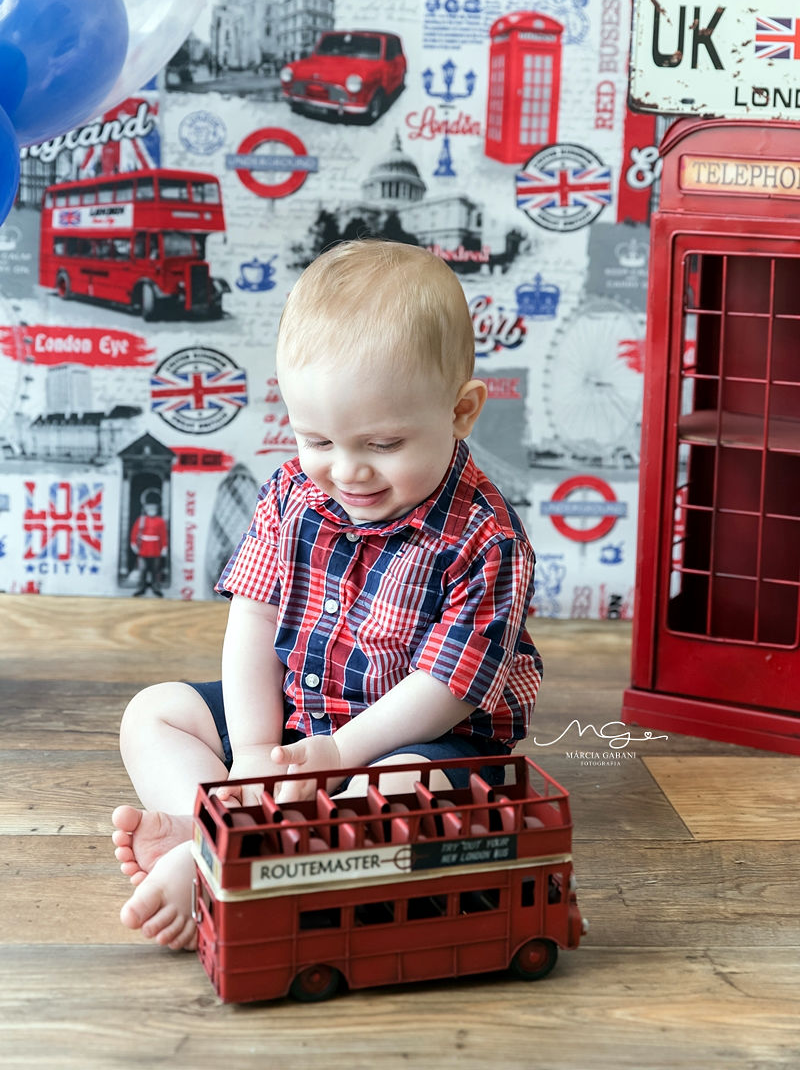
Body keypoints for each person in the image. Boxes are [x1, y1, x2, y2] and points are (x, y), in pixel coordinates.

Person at [111, 239, 543, 950]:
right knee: (152, 714)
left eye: (383, 444)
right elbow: (255, 619)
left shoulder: (485, 538)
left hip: (418, 738)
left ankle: (234, 856)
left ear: (462, 411)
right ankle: (214, 822)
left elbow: (450, 686)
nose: (347, 471)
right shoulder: (291, 493)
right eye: (317, 440)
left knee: (406, 793)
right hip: (296, 716)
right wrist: (255, 750)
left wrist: (343, 750)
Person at [130, 492, 168, 597]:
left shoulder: (160, 521)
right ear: (146, 509)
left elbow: (163, 535)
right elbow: (135, 532)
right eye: (149, 507)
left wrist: (164, 547)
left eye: (153, 508)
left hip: (155, 549)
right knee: (142, 570)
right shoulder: (141, 520)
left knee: (156, 570)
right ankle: (141, 588)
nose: (151, 509)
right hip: (143, 549)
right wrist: (133, 544)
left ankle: (156, 587)